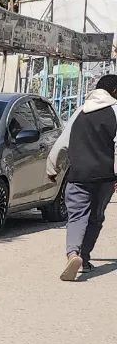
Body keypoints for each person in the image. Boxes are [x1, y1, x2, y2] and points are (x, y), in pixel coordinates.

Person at [46, 74, 117, 281]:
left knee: (77, 216)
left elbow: (62, 144)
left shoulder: (79, 111)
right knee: (95, 217)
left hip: (78, 175)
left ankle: (72, 254)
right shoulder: (115, 112)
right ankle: (84, 259)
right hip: (105, 177)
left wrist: (52, 169)